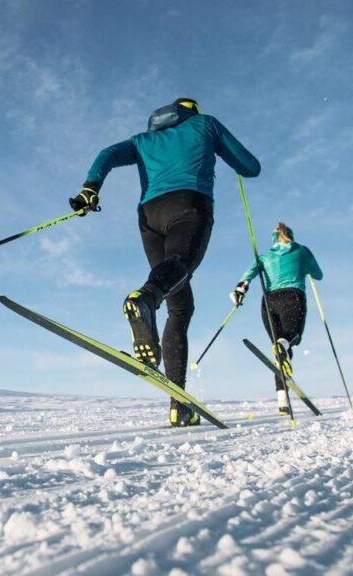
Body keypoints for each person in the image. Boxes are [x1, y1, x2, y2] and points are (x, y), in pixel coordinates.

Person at [70, 98, 260, 426]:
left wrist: (90, 190)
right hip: (189, 203)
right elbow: (250, 167)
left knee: (180, 304)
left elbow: (107, 155)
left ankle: (178, 404)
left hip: (149, 217)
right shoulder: (205, 124)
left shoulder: (143, 141)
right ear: (192, 112)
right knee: (175, 270)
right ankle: (145, 300)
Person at [230, 223, 322, 415]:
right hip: (292, 297)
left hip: (269, 301)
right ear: (291, 235)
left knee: (280, 353)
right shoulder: (302, 251)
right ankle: (283, 346)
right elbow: (318, 275)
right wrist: (306, 269)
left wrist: (240, 291)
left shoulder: (265, 256)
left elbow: (247, 277)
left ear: (273, 238)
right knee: (292, 337)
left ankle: (282, 401)